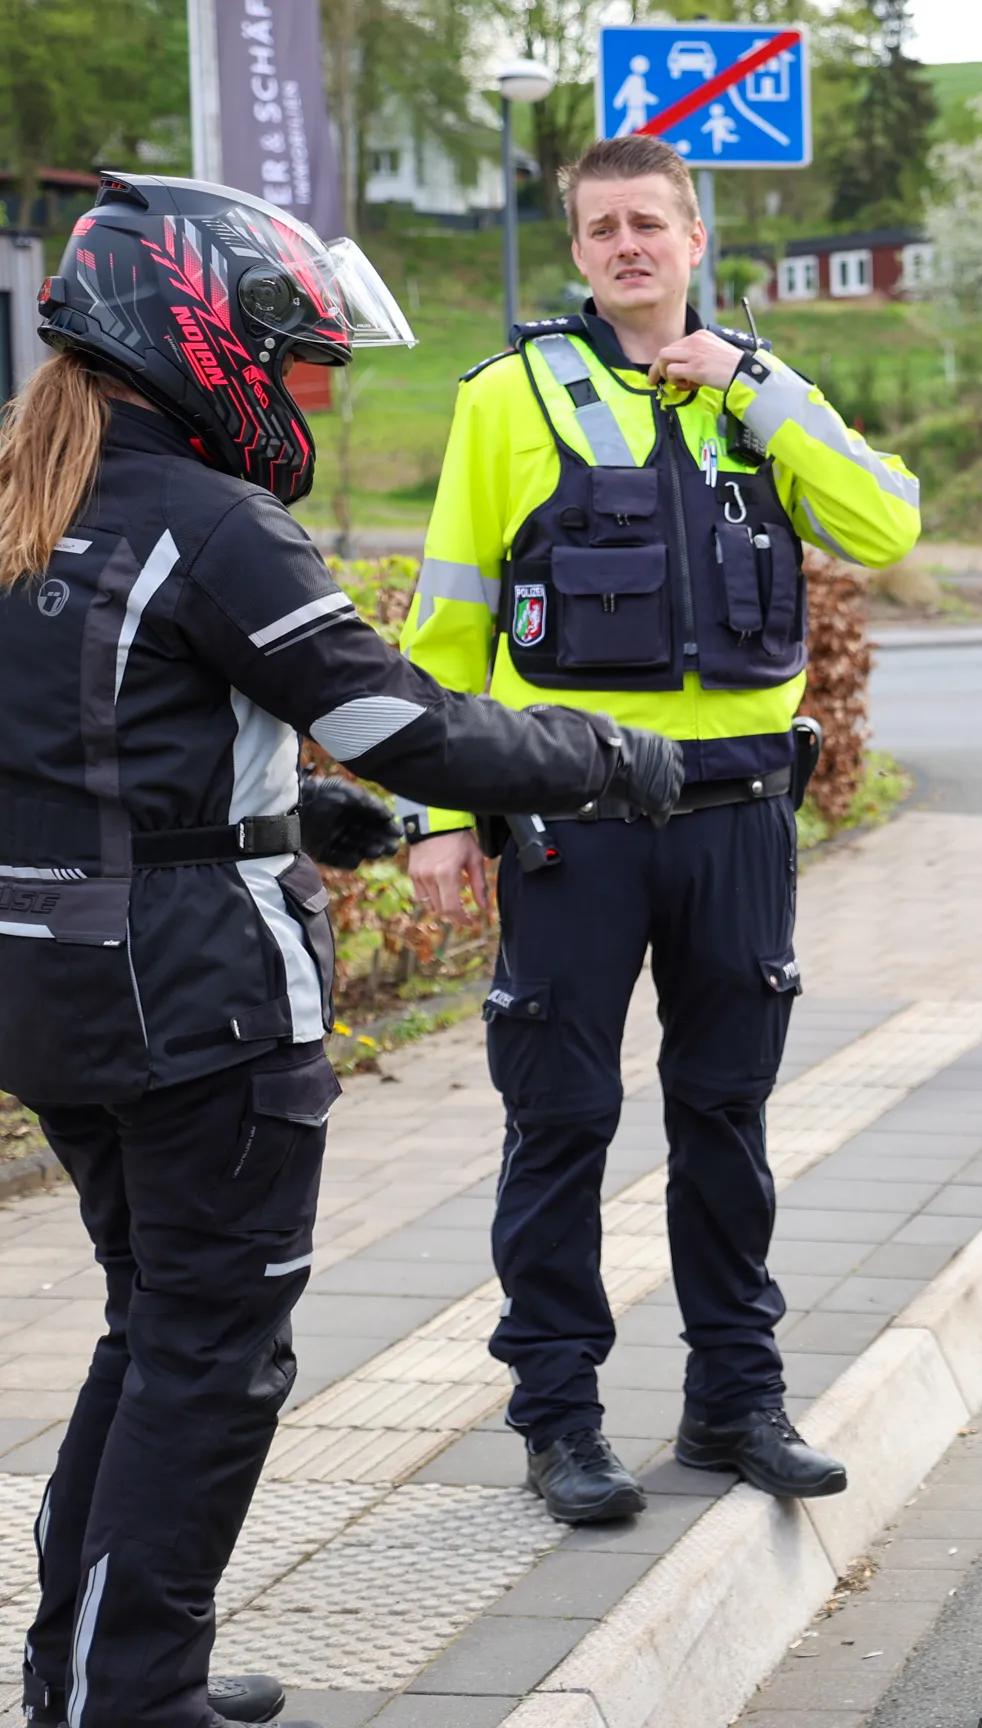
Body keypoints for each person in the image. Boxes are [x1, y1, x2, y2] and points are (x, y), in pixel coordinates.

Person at [0, 172, 683, 1728]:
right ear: (196, 338)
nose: (309, 387)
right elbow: (412, 729)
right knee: (211, 1363)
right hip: (201, 1013)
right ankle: (133, 1699)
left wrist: (294, 818)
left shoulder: (28, 493)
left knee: (149, 1331)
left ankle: (94, 1673)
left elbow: (87, 757)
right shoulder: (206, 518)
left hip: (52, 987)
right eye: (298, 357)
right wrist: (614, 758)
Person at [400, 134, 921, 1525]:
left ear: (697, 241)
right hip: (570, 816)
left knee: (727, 1116)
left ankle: (734, 1401)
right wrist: (440, 812)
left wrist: (761, 388)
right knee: (561, 1115)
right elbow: (445, 623)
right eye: (601, 227)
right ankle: (560, 1419)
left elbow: (883, 525)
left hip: (738, 814)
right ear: (576, 251)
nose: (628, 244)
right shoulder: (510, 402)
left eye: (651, 223)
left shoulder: (763, 396)